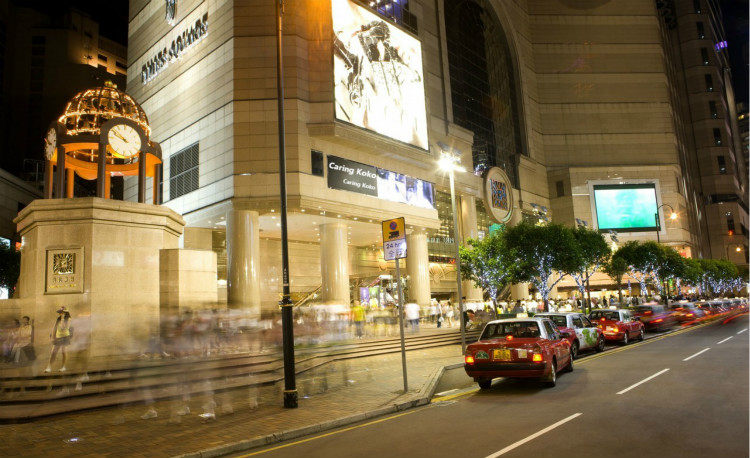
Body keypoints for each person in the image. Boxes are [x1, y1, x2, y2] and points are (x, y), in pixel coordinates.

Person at [45, 307, 72, 373]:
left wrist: (62, 319)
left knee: (63, 351)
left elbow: (64, 327)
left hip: (65, 337)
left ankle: (63, 367)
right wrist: (53, 337)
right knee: (53, 352)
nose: (60, 314)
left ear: (65, 313)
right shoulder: (58, 319)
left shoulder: (69, 319)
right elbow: (54, 327)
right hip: (58, 337)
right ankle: (49, 367)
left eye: (61, 312)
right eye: (60, 313)